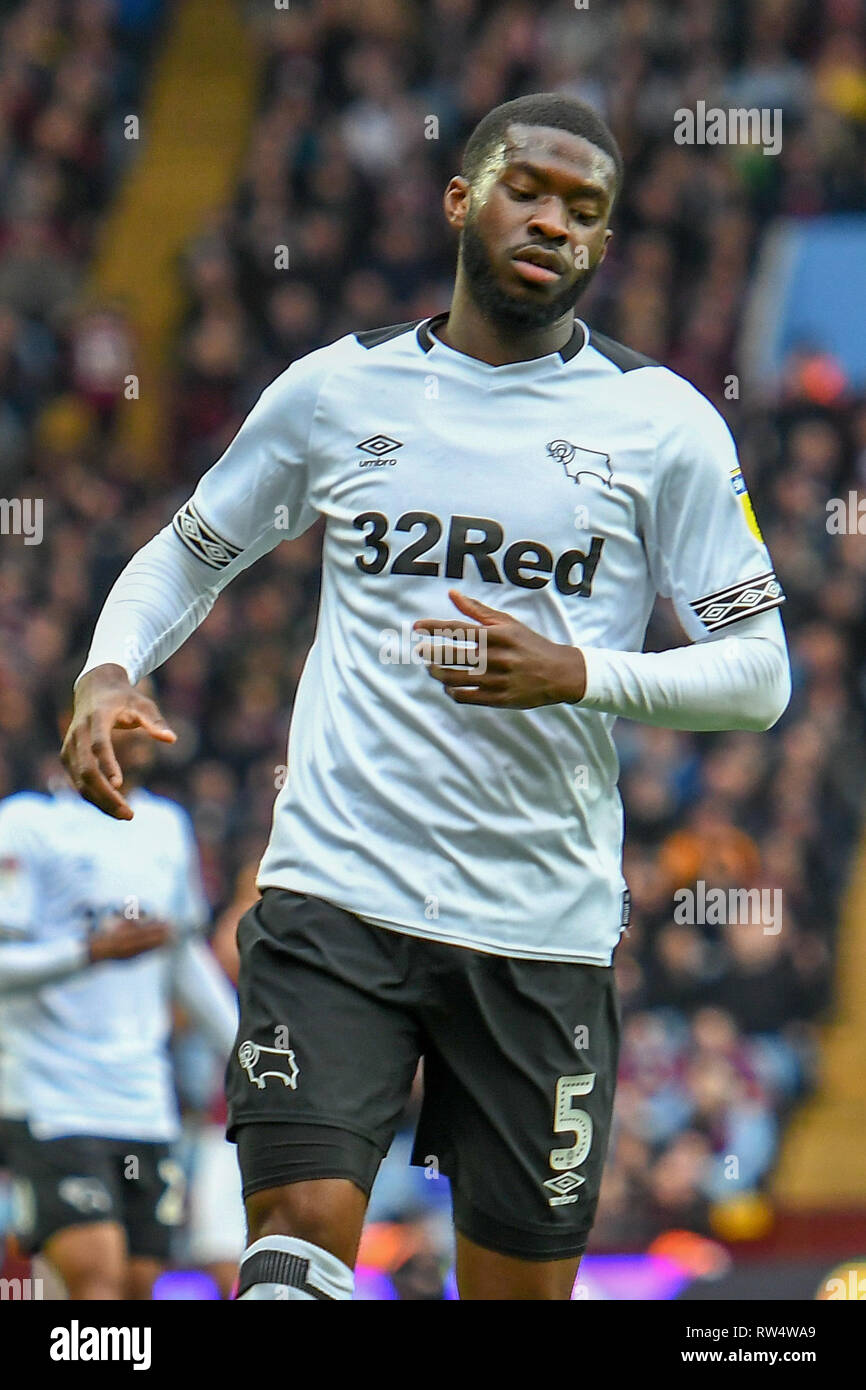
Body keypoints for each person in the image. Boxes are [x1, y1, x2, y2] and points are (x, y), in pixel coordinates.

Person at [60, 93, 791, 1301]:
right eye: (528, 189)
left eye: (584, 210)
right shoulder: (334, 392)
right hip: (335, 894)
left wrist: (580, 675)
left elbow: (759, 672)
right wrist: (106, 669)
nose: (553, 220)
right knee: (291, 1250)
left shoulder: (663, 426)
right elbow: (189, 551)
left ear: (602, 245)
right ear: (460, 200)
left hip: (536, 926)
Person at [0, 699, 238, 1299]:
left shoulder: (167, 828)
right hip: (50, 1095)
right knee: (96, 1276)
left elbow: (182, 957)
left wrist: (244, 1051)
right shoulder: (25, 826)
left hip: (142, 1098)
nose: (141, 728)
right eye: (121, 714)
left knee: (136, 1285)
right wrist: (90, 952)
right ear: (71, 722)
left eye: (147, 711)